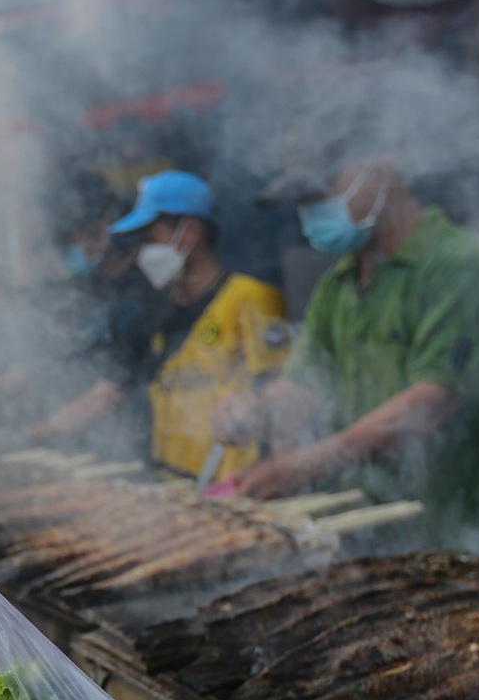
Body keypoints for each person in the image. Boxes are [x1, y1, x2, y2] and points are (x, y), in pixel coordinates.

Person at [219, 155, 479, 547]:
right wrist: (257, 412)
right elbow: (303, 386)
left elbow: (431, 403)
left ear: (383, 173)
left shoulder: (460, 265)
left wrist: (302, 466)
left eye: (321, 195)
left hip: (466, 532)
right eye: (303, 203)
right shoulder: (339, 284)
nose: (310, 214)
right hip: (370, 536)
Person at [32, 170, 291, 484]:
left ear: (191, 232)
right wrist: (36, 434)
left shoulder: (251, 299)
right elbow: (107, 393)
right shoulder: (154, 309)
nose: (143, 252)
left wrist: (280, 474)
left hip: (232, 486)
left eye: (150, 239)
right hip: (171, 485)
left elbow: (283, 398)